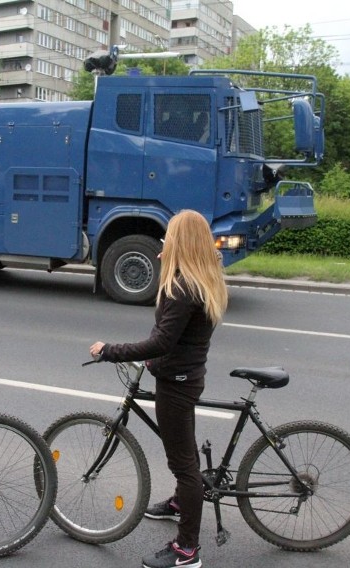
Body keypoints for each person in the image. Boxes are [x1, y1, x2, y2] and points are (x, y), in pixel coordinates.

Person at [89, 209, 228, 568]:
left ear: (180, 243)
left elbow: (163, 341)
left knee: (184, 466)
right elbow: (177, 341)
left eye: (168, 239)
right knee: (186, 457)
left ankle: (187, 551)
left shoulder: (182, 288)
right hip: (185, 375)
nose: (162, 246)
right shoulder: (202, 278)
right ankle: (183, 502)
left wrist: (110, 351)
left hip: (178, 383)